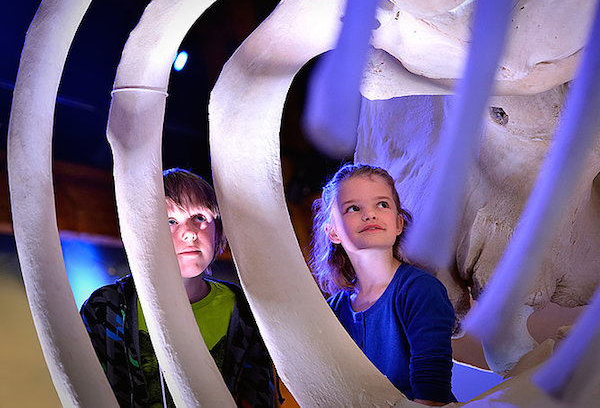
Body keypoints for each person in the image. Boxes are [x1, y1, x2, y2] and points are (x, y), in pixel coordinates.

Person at [80, 168, 275, 407]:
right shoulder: (106, 308)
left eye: (200, 218)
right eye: (171, 221)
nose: (190, 233)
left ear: (219, 228)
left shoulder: (245, 311)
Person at [310, 163, 456, 406]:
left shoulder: (421, 291)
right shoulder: (332, 311)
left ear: (398, 223)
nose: (370, 214)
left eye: (382, 204)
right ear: (333, 232)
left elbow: (432, 397)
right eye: (354, 208)